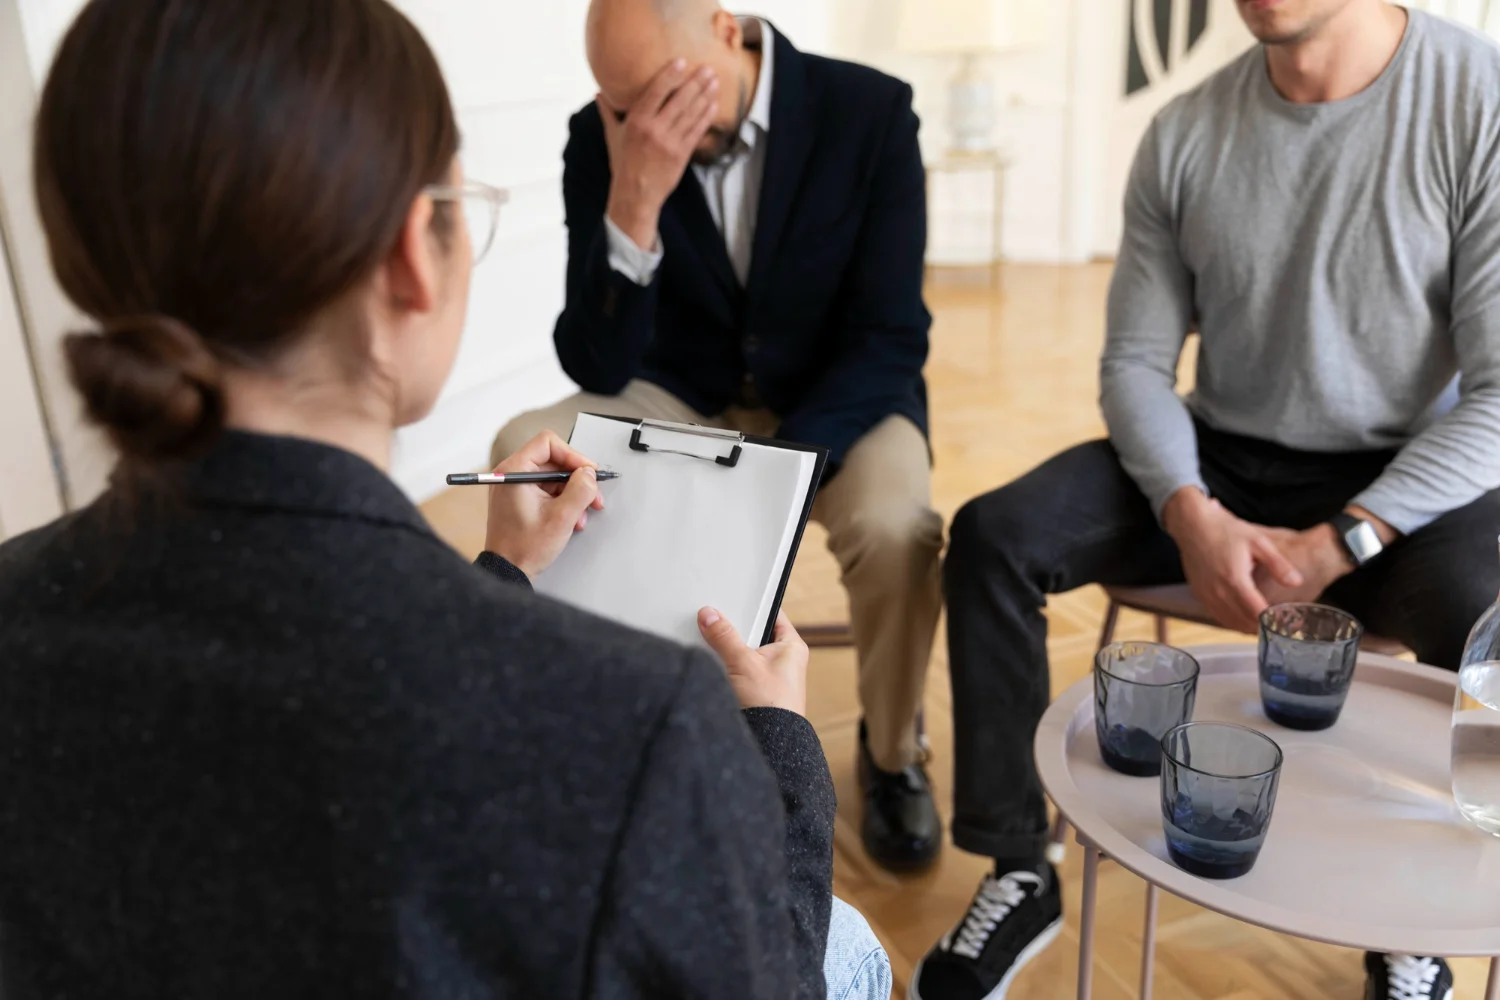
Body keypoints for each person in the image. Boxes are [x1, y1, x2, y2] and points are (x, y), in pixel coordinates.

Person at [0, 1, 892, 997]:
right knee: (851, 944)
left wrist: (501, 577)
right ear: (410, 255)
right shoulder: (645, 723)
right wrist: (782, 745)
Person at [914, 2, 1500, 999]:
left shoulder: (1475, 102)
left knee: (1484, 614)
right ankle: (1018, 866)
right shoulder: (1186, 129)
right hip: (1220, 459)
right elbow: (1136, 363)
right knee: (992, 536)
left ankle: (1412, 921)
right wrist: (1188, 511)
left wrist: (1343, 542)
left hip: (1403, 484)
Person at [489, 0, 944, 874]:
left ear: (725, 34)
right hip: (682, 400)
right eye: (621, 106)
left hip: (841, 398)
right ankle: (608, 723)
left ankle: (891, 755)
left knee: (898, 529)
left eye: (659, 98)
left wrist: (778, 471)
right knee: (525, 450)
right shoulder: (603, 140)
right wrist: (635, 201)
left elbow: (892, 336)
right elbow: (595, 359)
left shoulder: (871, 111)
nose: (641, 125)